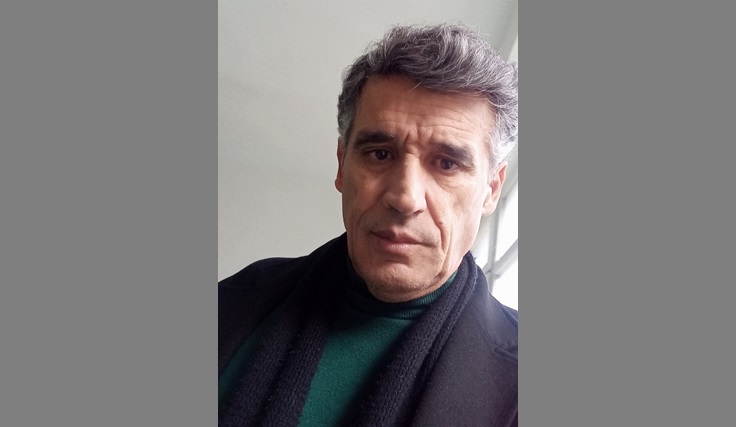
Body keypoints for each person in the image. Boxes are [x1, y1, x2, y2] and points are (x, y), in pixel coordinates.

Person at [219, 23, 518, 427]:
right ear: (342, 165)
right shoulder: (233, 303)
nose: (405, 198)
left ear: (491, 190)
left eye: (447, 164)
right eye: (380, 154)